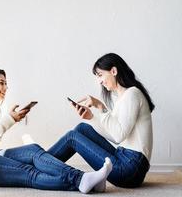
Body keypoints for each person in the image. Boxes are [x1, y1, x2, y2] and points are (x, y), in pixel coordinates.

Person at [0, 68, 113, 194]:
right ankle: (81, 180)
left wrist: (9, 119)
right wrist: (9, 120)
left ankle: (89, 182)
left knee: (32, 150)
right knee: (28, 173)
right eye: (2, 82)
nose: (6, 87)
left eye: (6, 83)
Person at [48, 53, 154, 188]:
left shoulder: (132, 94)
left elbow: (119, 135)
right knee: (82, 128)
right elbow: (115, 136)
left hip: (130, 168)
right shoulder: (123, 98)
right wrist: (91, 118)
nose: (99, 81)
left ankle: (39, 161)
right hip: (125, 159)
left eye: (100, 75)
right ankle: (41, 162)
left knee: (72, 137)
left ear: (114, 71)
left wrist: (101, 107)